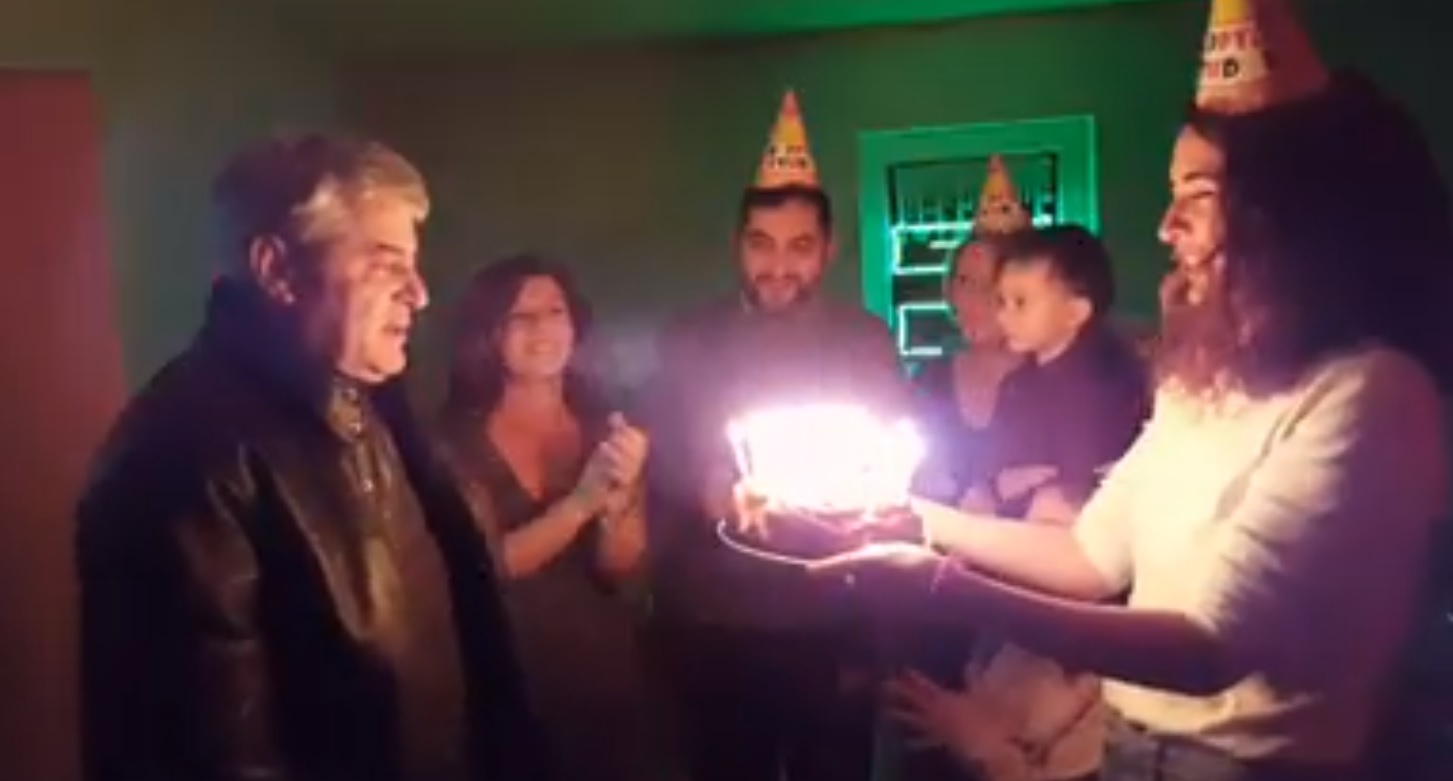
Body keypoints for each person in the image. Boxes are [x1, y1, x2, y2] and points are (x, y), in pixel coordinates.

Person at [794, 2, 1453, 779]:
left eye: (1198, 195)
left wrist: (939, 586)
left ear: (1293, 214)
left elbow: (1207, 648)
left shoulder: (1368, 395)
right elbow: (1090, 554)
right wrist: (914, 520)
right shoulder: (1201, 385)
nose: (1165, 225)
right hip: (1126, 751)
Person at [75, 134, 545, 781]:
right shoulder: (180, 460)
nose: (419, 293)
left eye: (413, 265)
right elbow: (207, 753)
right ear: (277, 270)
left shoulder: (379, 404)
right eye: (385, 264)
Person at [644, 89, 908, 781]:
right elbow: (661, 456)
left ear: (828, 251)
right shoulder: (689, 338)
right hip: (716, 618)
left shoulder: (865, 341)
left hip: (835, 619)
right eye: (761, 245)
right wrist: (711, 488)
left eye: (799, 247)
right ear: (738, 245)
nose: (778, 266)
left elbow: (891, 453)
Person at [436, 254, 666, 781]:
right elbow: (481, 568)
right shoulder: (453, 443)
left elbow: (621, 569)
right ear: (491, 334)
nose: (542, 329)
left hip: (605, 685)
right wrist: (581, 502)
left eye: (555, 312)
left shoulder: (605, 428)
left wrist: (620, 498)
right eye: (521, 316)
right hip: (505, 688)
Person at [962, 224, 1150, 518]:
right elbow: (992, 462)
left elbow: (1095, 479)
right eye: (1001, 302)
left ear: (1075, 312)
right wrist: (989, 487)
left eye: (1020, 303)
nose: (1004, 316)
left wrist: (1034, 486)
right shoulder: (1016, 386)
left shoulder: (1108, 385)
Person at [912, 156, 1029, 506]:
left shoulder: (1052, 376)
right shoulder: (931, 379)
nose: (973, 299)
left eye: (991, 284)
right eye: (964, 281)